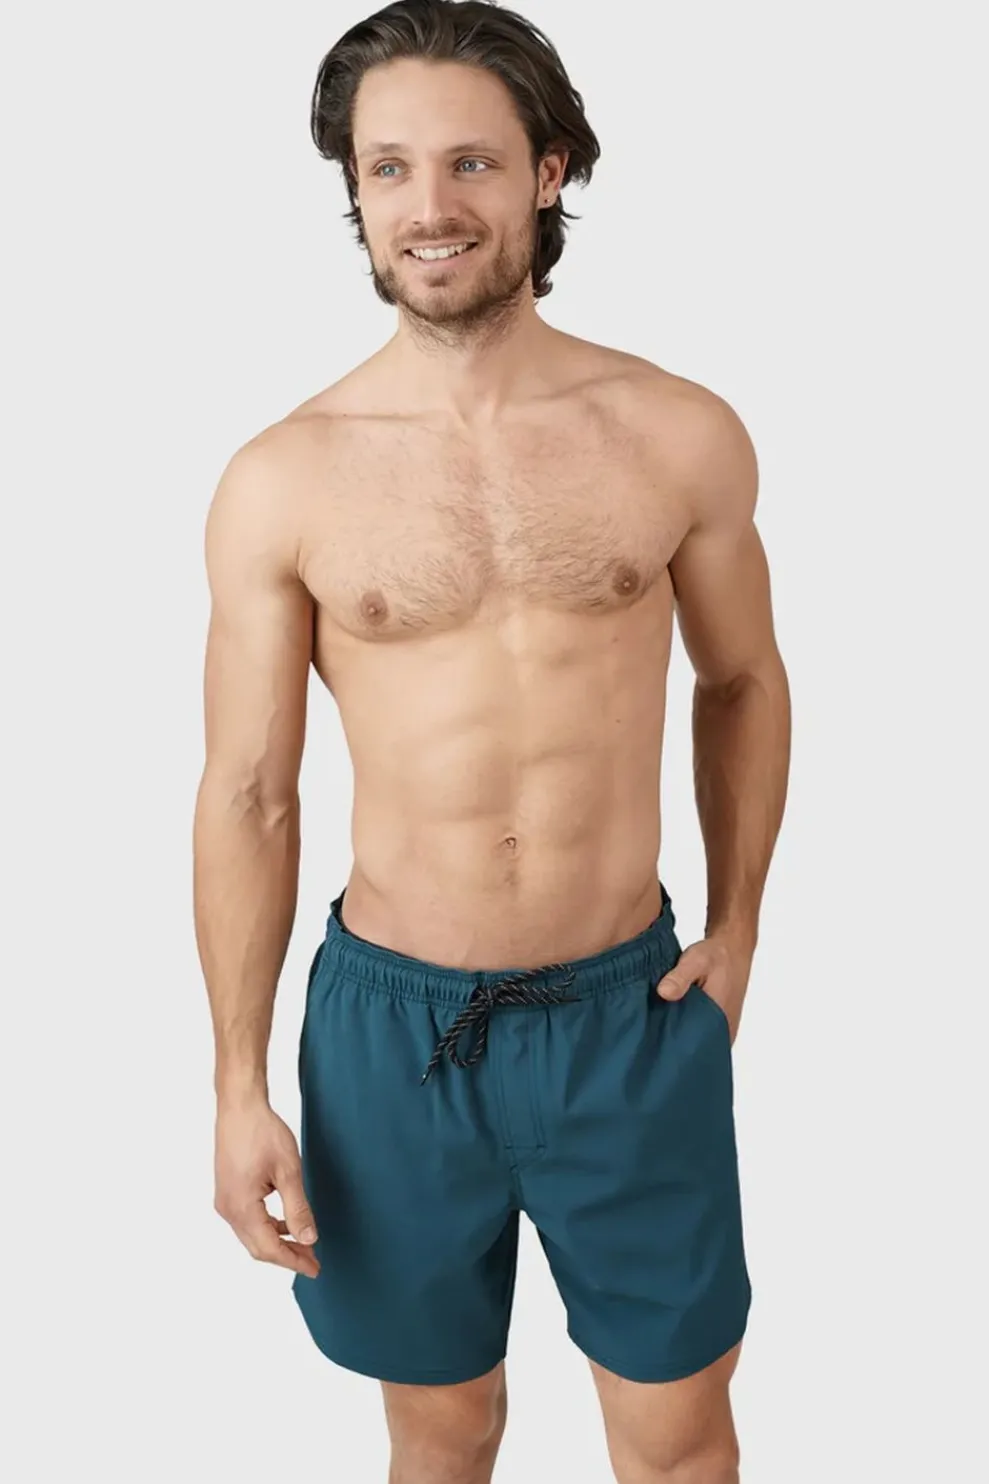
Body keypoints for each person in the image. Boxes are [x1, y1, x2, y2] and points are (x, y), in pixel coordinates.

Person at [193, 1, 791, 1479]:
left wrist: (740, 927)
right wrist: (236, 1085)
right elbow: (253, 792)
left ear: (549, 169)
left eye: (470, 161)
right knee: (443, 1431)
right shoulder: (283, 478)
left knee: (677, 1435)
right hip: (389, 1032)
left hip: (628, 1011)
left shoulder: (676, 431)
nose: (429, 207)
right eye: (387, 168)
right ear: (353, 190)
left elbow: (743, 682)